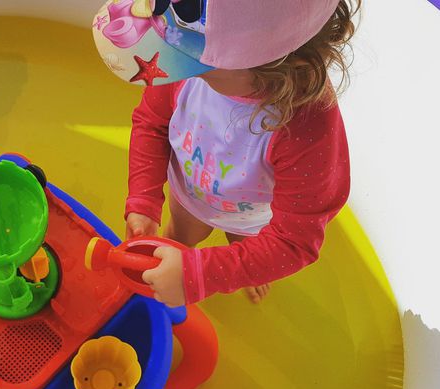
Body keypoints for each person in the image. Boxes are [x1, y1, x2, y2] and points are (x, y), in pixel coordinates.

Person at [92, 0, 360, 307]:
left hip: (252, 219)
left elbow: (292, 240)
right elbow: (151, 124)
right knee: (178, 238)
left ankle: (243, 269)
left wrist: (204, 274)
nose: (166, 67)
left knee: (249, 250)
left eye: (189, 61)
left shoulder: (306, 128)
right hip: (190, 197)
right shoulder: (185, 72)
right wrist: (144, 200)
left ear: (274, 65)